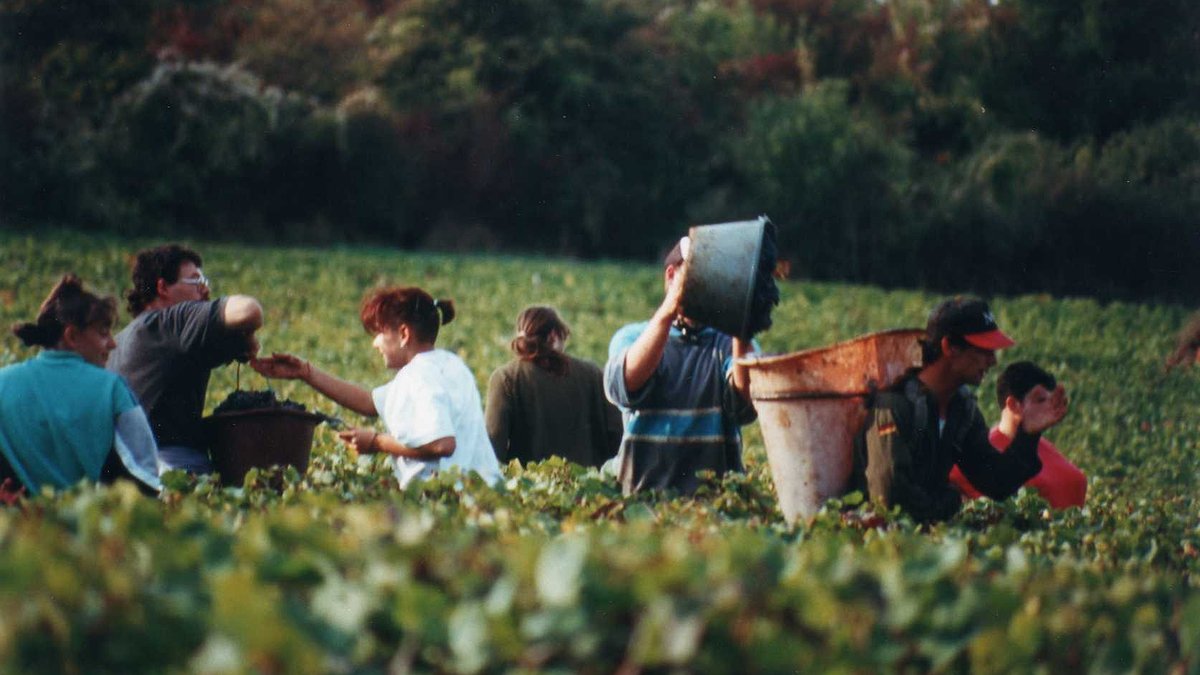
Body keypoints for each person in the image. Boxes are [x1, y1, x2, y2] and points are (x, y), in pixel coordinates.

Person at [250, 286, 502, 488]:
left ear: (404, 334)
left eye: (380, 333)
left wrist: (376, 442)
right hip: (482, 492)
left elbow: (442, 445)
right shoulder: (450, 364)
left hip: (448, 500)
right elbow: (370, 403)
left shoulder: (419, 375)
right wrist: (305, 373)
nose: (375, 343)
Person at [848, 296, 1068, 522]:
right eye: (984, 350)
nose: (993, 361)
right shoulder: (894, 406)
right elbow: (890, 499)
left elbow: (995, 481)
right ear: (949, 347)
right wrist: (951, 500)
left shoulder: (962, 411)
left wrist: (1028, 435)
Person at [603, 236, 757, 495]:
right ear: (671, 275)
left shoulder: (729, 343)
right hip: (643, 496)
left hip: (716, 501)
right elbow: (625, 386)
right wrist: (669, 309)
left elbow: (746, 404)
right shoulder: (632, 337)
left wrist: (740, 328)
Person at [107, 244, 264, 475]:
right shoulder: (173, 322)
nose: (203, 290)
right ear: (162, 287)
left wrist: (243, 341)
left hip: (120, 472)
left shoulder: (116, 344)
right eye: (195, 281)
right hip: (173, 466)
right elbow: (249, 311)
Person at [0, 275, 160, 494]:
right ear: (72, 336)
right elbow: (145, 473)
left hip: (16, 522)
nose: (112, 343)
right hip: (90, 523)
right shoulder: (111, 388)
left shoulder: (3, 382)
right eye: (103, 332)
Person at [485, 306, 622, 468]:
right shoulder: (593, 374)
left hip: (528, 489)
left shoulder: (505, 378)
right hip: (591, 488)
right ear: (554, 335)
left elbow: (492, 448)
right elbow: (617, 436)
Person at [948, 361, 1086, 509]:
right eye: (1040, 400)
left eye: (1051, 400)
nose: (1048, 407)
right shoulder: (975, 457)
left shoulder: (1052, 458)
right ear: (1013, 405)